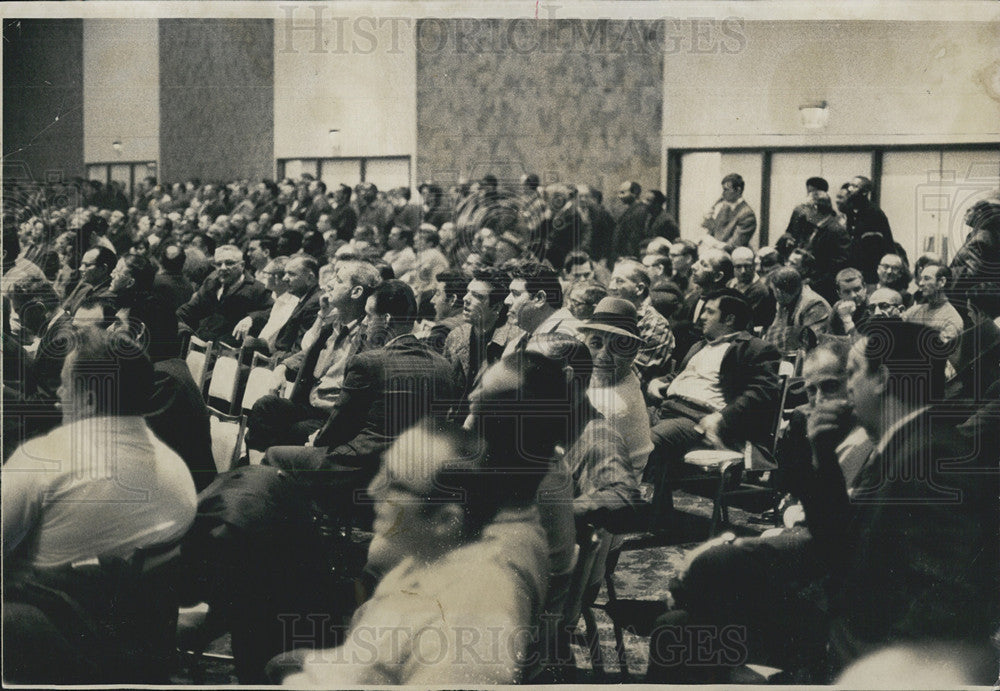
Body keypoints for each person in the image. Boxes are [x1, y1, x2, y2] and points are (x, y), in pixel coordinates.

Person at [274, 419, 548, 686]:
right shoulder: (424, 557)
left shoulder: (467, 623)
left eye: (395, 484)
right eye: (383, 469)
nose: (372, 490)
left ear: (445, 520)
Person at [3, 328, 197, 683]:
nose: (58, 395)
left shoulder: (43, 458)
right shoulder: (178, 471)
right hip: (137, 646)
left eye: (64, 384)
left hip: (45, 643)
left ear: (90, 400)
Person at [645, 289, 781, 526]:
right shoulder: (699, 346)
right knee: (613, 427)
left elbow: (762, 391)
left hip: (698, 420)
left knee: (645, 442)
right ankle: (656, 508)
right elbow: (682, 376)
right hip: (666, 409)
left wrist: (721, 417)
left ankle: (628, 509)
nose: (701, 317)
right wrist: (661, 382)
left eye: (710, 311)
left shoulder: (755, 348)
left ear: (729, 319)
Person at [246, 260, 380, 450]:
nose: (329, 284)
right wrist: (282, 367)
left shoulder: (369, 335)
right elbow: (307, 349)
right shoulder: (333, 322)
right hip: (310, 406)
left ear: (356, 292)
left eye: (338, 280)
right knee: (266, 406)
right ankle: (255, 467)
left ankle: (271, 468)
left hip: (334, 416)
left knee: (295, 431)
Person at [578, 297, 654, 481]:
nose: (603, 356)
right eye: (596, 344)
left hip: (604, 493)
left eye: (616, 347)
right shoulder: (624, 378)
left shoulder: (611, 405)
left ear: (632, 354)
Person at [176, 244, 271, 345]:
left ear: (242, 265)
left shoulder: (257, 288)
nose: (223, 268)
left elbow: (271, 310)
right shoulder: (211, 282)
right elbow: (190, 309)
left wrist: (251, 318)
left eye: (229, 263)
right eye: (218, 264)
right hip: (203, 342)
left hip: (230, 350)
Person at [234, 255, 321, 359]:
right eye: (285, 273)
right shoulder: (305, 299)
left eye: (291, 274)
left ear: (310, 278)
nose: (285, 278)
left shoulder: (314, 304)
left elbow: (299, 349)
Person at [608, 258, 675, 386]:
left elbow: (634, 376)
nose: (611, 287)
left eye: (619, 281)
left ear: (639, 288)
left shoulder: (656, 325)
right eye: (611, 280)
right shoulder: (611, 315)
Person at [764, 266, 832, 354]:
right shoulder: (783, 301)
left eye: (772, 290)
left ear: (779, 291)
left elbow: (813, 342)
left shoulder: (814, 304)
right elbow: (774, 332)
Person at [903, 262, 963, 348]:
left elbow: (941, 355)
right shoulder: (913, 312)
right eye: (921, 279)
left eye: (926, 279)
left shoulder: (952, 320)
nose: (921, 283)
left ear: (941, 282)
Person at [701, 173, 757, 252]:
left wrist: (712, 243)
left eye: (726, 190)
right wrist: (708, 218)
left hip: (731, 259)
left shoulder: (747, 215)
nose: (723, 194)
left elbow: (734, 246)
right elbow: (716, 232)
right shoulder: (725, 208)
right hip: (716, 254)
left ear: (738, 190)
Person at [727, 246, 776, 330]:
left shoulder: (760, 290)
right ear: (733, 268)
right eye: (738, 267)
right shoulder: (730, 284)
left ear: (753, 266)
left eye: (747, 266)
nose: (743, 271)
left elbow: (742, 318)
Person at [611, 181, 650, 262]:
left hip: (631, 257)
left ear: (635, 193)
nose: (619, 196)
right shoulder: (632, 209)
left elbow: (635, 236)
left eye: (623, 193)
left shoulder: (640, 211)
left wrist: (629, 256)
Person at [829, 267, 870, 337]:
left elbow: (862, 345)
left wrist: (846, 319)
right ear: (839, 294)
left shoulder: (873, 307)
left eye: (857, 289)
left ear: (865, 287)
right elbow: (830, 338)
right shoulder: (838, 308)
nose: (853, 295)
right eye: (847, 292)